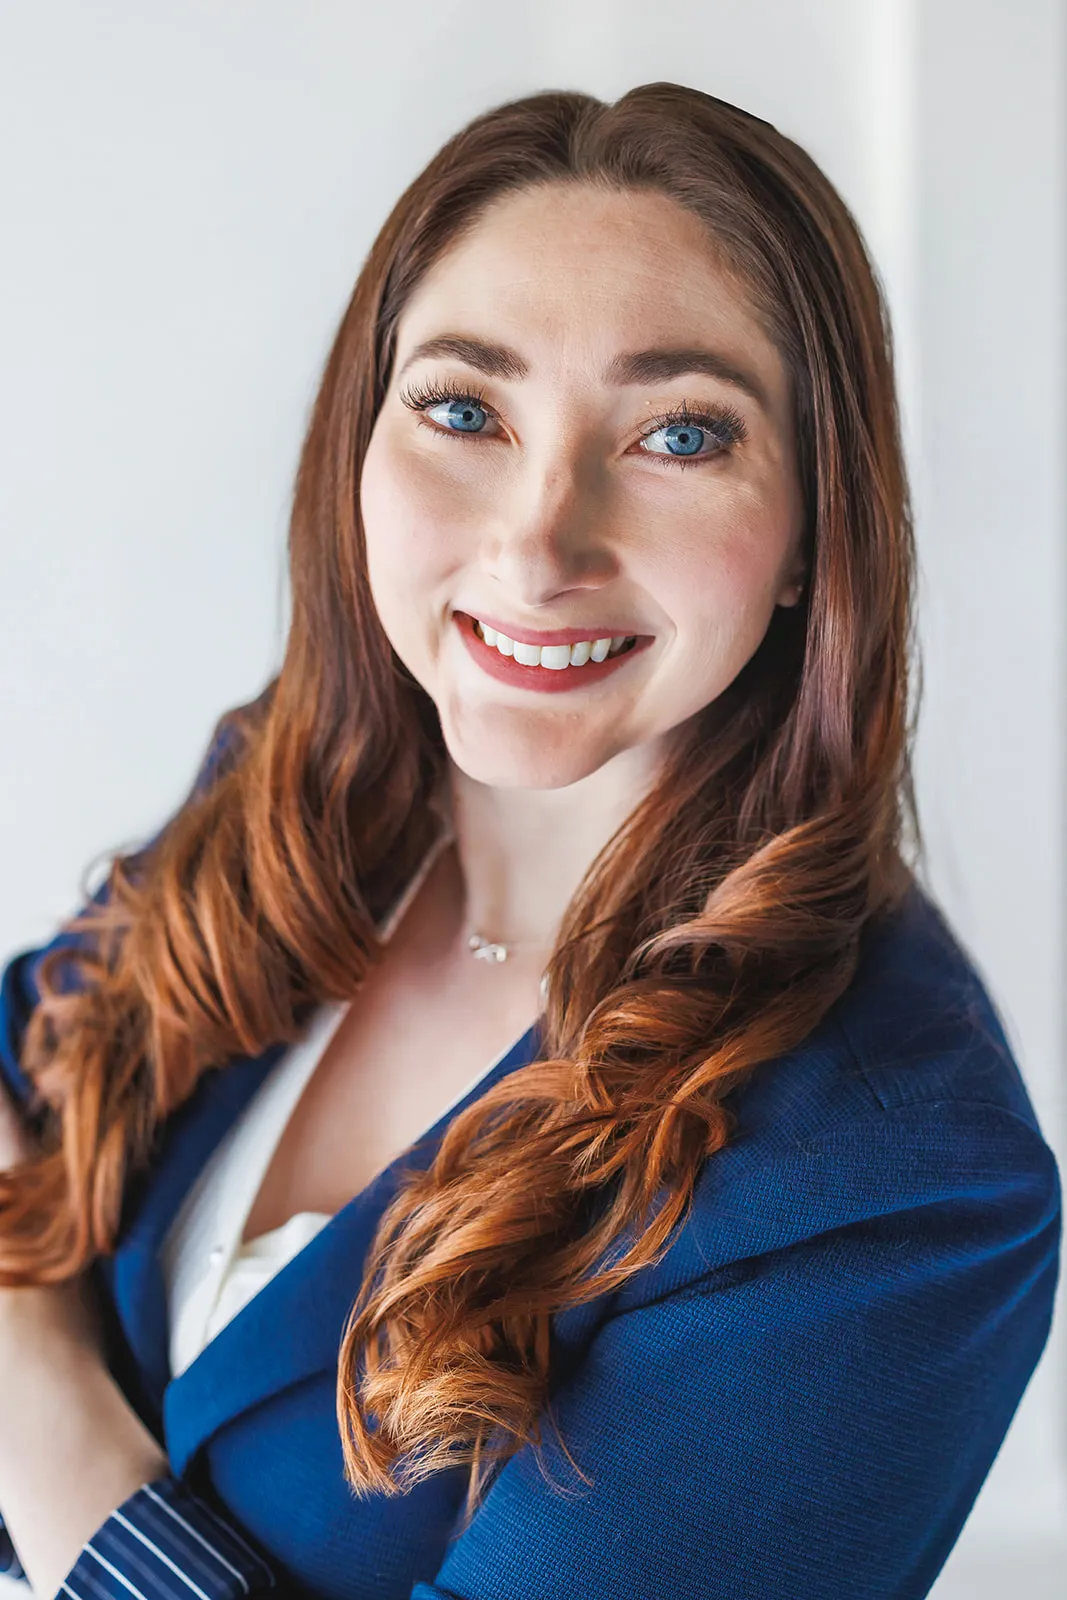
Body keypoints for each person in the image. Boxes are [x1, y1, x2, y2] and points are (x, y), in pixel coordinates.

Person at [0, 80, 1060, 1600]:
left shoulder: (891, 1187)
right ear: (357, 446)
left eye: (678, 434)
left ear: (814, 534)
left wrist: (31, 1392)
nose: (536, 542)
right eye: (463, 410)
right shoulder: (304, 793)